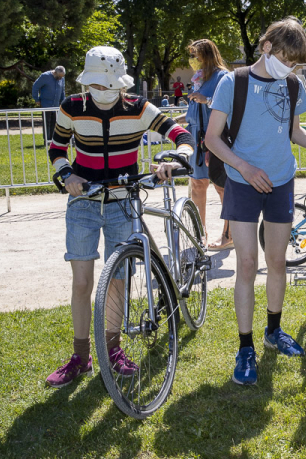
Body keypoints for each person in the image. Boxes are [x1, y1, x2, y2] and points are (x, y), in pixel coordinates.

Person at [205, 17, 306, 386]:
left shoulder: (292, 84)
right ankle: (245, 348)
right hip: (241, 182)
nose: (290, 68)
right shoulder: (232, 82)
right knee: (248, 265)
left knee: (276, 262)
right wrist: (245, 167)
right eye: (286, 59)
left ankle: (273, 331)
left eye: (296, 63)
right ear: (266, 47)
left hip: (282, 181)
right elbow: (212, 138)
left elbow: (294, 132)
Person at [44, 46, 194, 388]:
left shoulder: (139, 107)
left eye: (107, 87)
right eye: (94, 86)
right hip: (84, 203)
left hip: (124, 202)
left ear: (120, 84)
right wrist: (67, 175)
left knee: (118, 280)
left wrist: (174, 157)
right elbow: (56, 148)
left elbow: (180, 134)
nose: (100, 93)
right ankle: (80, 357)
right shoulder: (72, 107)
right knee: (82, 282)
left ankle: (113, 351)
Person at [185, 39, 232, 250]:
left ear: (207, 55)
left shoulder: (223, 76)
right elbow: (197, 109)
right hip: (196, 136)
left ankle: (228, 235)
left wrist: (206, 100)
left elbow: (228, 105)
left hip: (215, 138)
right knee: (197, 184)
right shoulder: (199, 77)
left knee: (221, 186)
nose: (193, 60)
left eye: (196, 55)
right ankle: (199, 232)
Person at [32, 66, 66, 145]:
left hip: (56, 105)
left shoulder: (62, 79)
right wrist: (36, 99)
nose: (60, 78)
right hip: (46, 104)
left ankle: (53, 141)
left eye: (62, 77)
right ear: (55, 72)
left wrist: (63, 102)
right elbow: (35, 86)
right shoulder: (45, 76)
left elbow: (62, 91)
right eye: (59, 76)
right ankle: (46, 141)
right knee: (47, 123)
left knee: (55, 123)